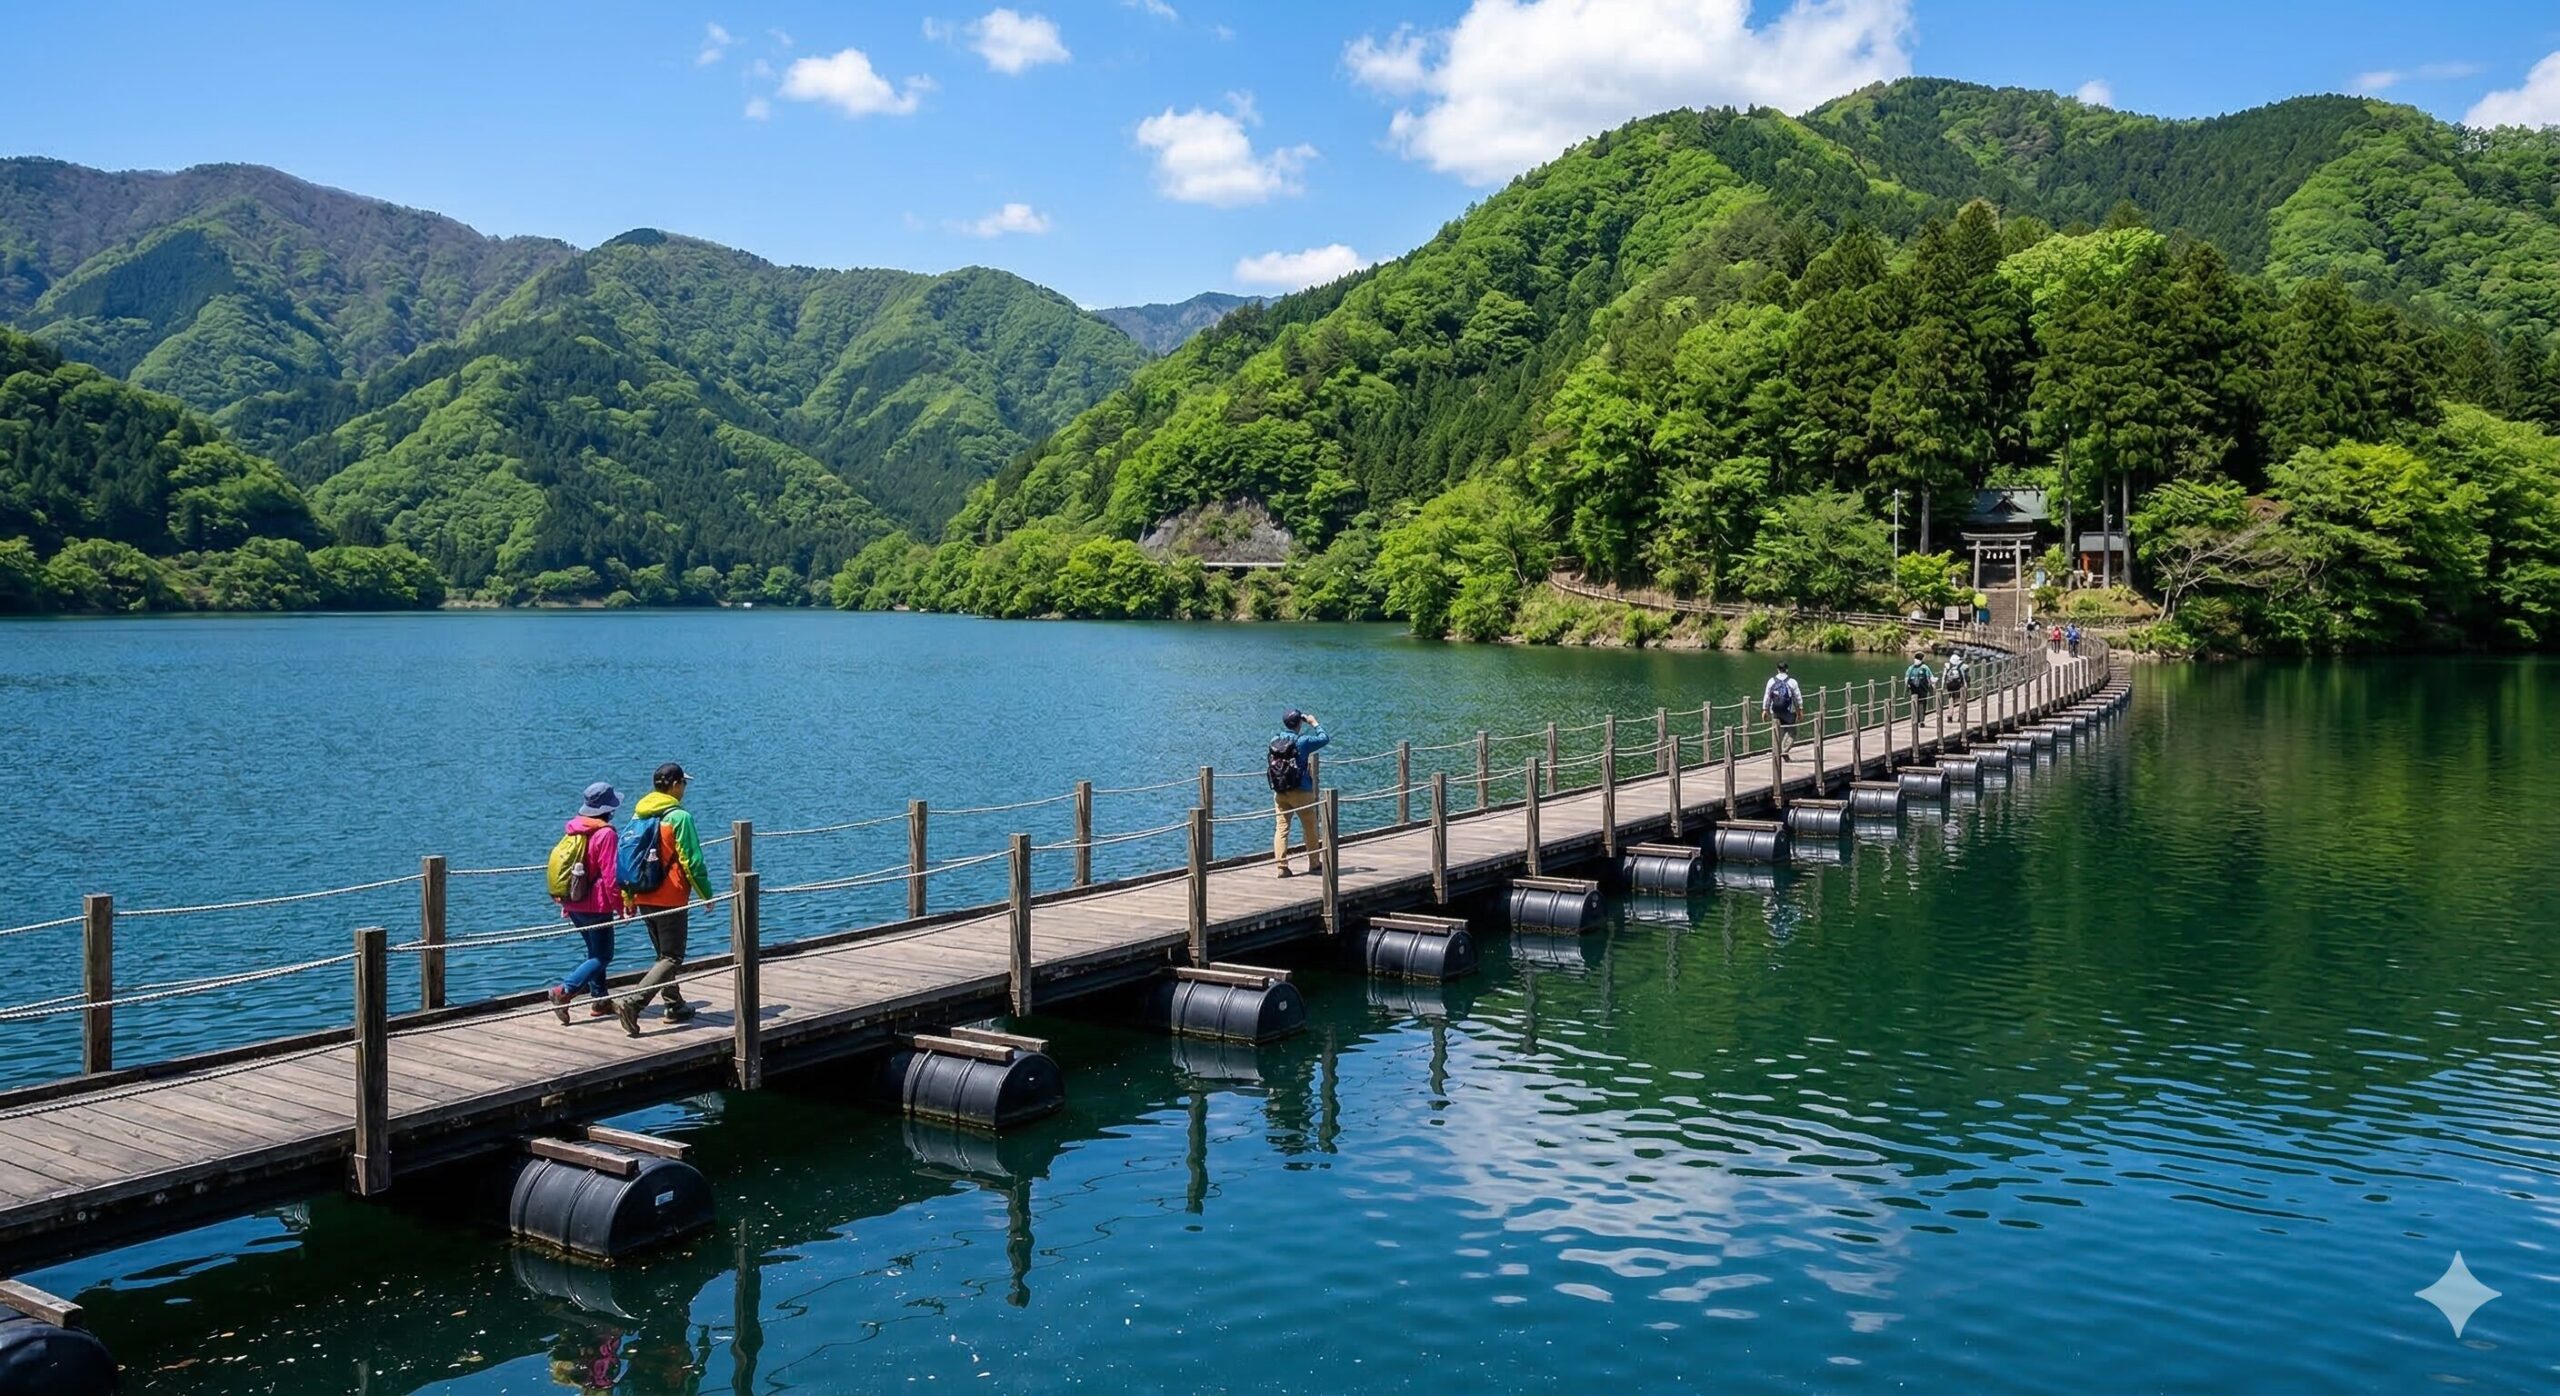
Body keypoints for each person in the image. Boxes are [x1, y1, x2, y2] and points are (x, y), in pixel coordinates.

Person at [616, 762, 715, 1036]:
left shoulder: (638, 816)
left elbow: (625, 860)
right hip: (670, 896)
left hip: (643, 893)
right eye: (683, 783)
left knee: (662, 954)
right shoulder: (680, 818)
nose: (684, 788)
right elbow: (691, 861)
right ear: (674, 785)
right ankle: (633, 1003)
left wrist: (629, 897)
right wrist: (706, 894)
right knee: (672, 956)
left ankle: (674, 1005)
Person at [546, 782, 622, 1024]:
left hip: (574, 903)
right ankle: (564, 991)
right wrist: (621, 905)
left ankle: (600, 1001)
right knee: (603, 956)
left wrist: (566, 903)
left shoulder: (574, 829)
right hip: (596, 905)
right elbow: (610, 876)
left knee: (594, 953)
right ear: (608, 809)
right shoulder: (605, 834)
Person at [1268, 708, 1330, 878]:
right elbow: (1325, 738)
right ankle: (1314, 863)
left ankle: (1281, 867)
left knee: (1281, 829)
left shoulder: (1275, 740)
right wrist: (1313, 722)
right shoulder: (1303, 742)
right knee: (1309, 827)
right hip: (1301, 790)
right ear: (1299, 723)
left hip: (1280, 790)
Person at [1760, 663, 1803, 761]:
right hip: (1789, 711)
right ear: (1787, 670)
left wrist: (1764, 709)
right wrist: (1800, 709)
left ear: (1777, 670)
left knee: (1777, 732)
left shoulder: (1771, 681)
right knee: (1792, 732)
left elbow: (1767, 696)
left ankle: (1777, 753)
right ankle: (1784, 751)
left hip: (1775, 710)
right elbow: (1797, 697)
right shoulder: (1792, 682)